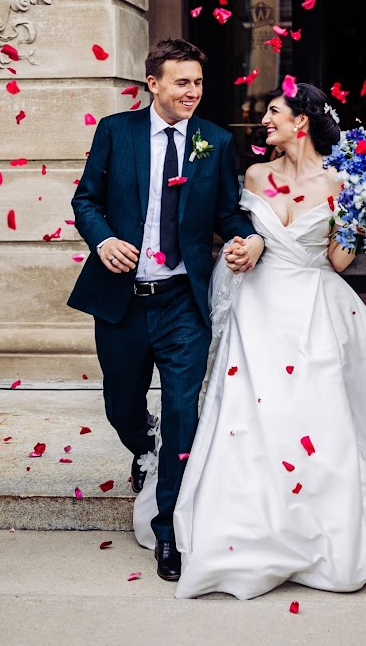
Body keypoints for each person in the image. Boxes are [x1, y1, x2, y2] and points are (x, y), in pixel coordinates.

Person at [133, 82, 366, 599]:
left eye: (272, 112)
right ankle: (247, 514)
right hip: (256, 306)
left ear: (301, 122)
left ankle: (318, 513)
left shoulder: (341, 182)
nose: (263, 121)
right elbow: (235, 230)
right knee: (248, 408)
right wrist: (242, 248)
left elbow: (337, 261)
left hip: (314, 304)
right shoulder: (253, 174)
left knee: (316, 410)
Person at [68, 38, 263, 582]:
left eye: (198, 83)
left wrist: (249, 242)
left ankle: (169, 529)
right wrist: (103, 240)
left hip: (183, 302)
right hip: (122, 301)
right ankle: (142, 445)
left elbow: (230, 213)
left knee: (184, 411)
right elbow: (86, 200)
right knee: (121, 405)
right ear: (153, 83)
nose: (192, 93)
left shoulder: (215, 142)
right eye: (182, 82)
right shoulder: (116, 132)